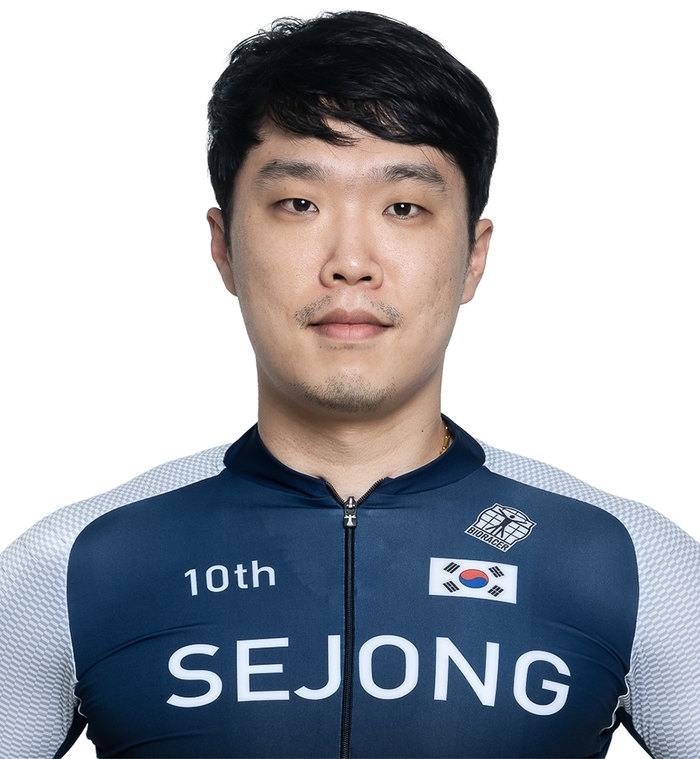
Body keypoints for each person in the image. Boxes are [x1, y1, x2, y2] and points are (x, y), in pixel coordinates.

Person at [1, 10, 698, 759]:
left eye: (404, 207)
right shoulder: (72, 565)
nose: (351, 263)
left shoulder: (629, 561)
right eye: (299, 203)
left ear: (473, 256)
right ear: (224, 247)